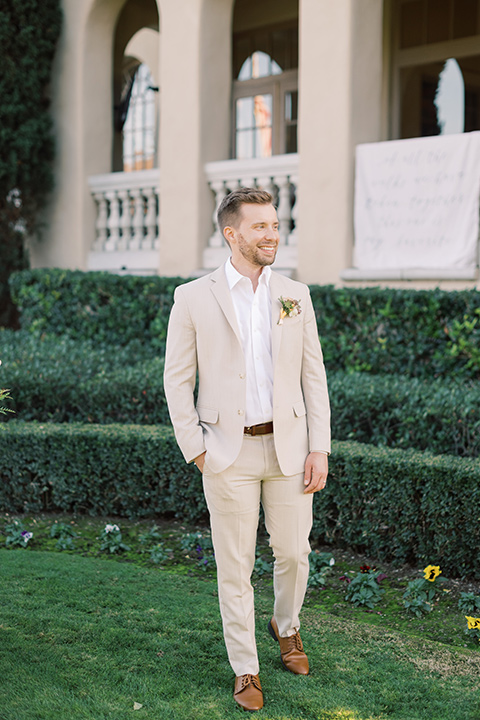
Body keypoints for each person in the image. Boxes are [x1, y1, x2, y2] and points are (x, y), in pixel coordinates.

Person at [163, 187, 330, 712]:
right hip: (226, 454)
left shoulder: (294, 295)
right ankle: (246, 667)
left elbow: (313, 377)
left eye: (275, 225)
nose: (272, 235)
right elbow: (176, 381)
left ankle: (286, 625)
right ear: (231, 233)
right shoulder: (192, 297)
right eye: (260, 227)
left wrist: (319, 448)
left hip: (289, 451)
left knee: (294, 553)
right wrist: (197, 450)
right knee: (234, 566)